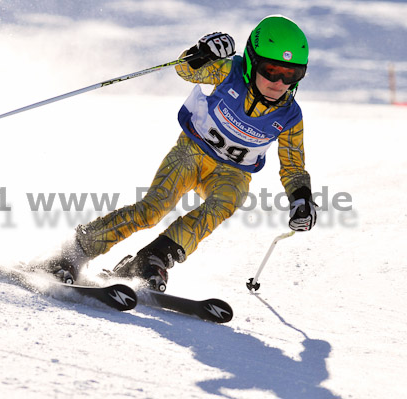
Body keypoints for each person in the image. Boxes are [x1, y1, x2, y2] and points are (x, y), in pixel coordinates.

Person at [38, 15, 318, 291]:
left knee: (228, 200)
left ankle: (151, 259)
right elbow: (187, 71)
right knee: (152, 210)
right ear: (252, 62)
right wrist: (202, 53)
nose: (279, 83)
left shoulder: (290, 115)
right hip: (192, 153)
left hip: (232, 172)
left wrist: (300, 198)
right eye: (271, 70)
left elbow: (292, 166)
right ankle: (73, 253)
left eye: (291, 74)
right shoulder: (229, 71)